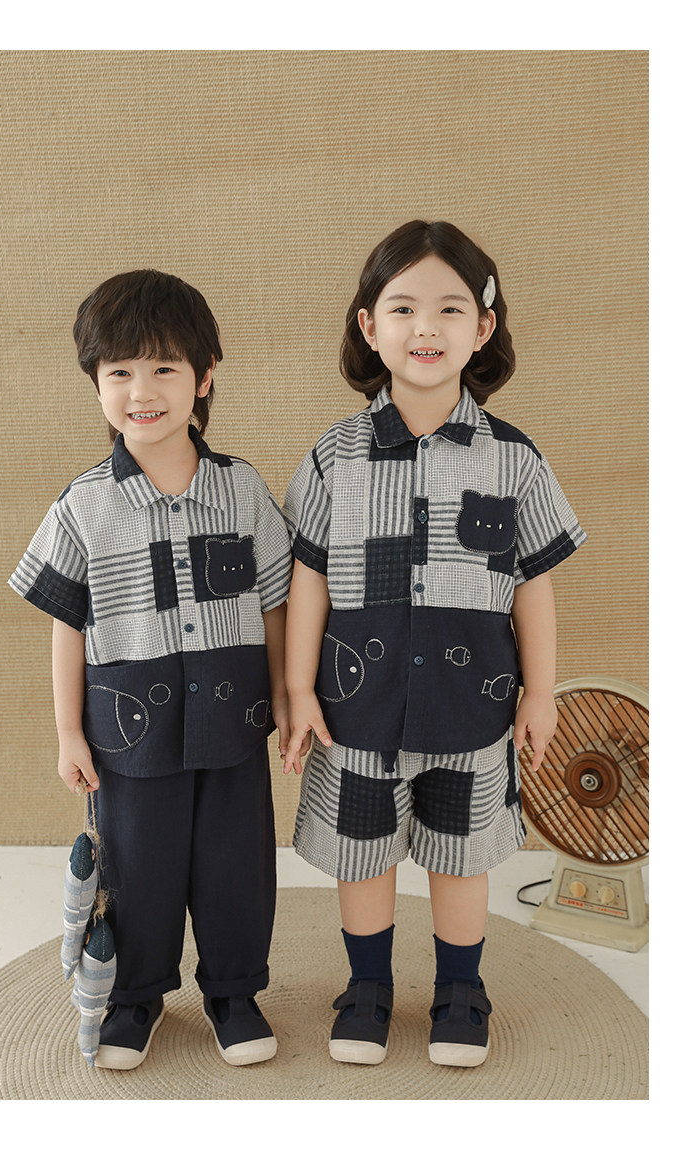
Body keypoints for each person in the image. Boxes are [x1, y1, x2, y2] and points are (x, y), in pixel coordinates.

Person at [282, 219, 586, 1068]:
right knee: (363, 859)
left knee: (461, 859)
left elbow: (533, 582)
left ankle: (461, 990)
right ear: (368, 325)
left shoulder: (515, 459)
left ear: (482, 328)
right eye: (403, 307)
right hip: (356, 710)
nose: (426, 327)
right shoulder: (334, 456)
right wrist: (298, 689)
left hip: (471, 710)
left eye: (450, 309)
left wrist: (540, 691)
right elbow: (308, 578)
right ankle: (367, 989)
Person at [9, 269, 292, 1070]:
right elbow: (67, 626)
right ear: (96, 383)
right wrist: (68, 731)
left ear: (204, 376)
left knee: (238, 867)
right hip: (128, 737)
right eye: (120, 371)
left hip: (234, 726)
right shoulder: (83, 506)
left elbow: (276, 604)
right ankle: (135, 998)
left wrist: (287, 697)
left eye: (165, 367)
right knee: (138, 870)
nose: (143, 390)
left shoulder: (242, 490)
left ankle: (234, 993)